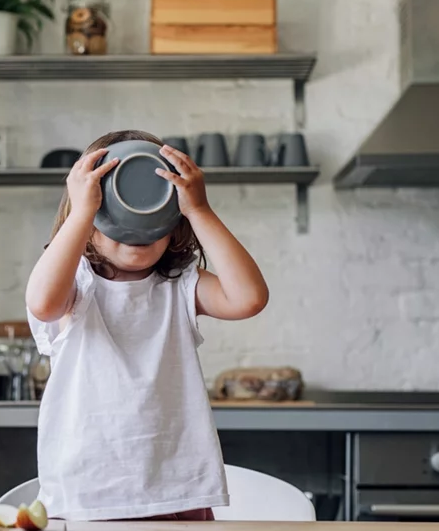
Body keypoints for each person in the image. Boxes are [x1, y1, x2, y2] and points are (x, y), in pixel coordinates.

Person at [25, 130, 269, 521]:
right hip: (90, 495)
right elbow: (43, 304)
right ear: (88, 223)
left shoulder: (179, 285)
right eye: (114, 218)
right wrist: (82, 208)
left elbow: (249, 298)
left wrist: (199, 210)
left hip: (179, 491)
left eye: (154, 220)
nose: (138, 234)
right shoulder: (77, 285)